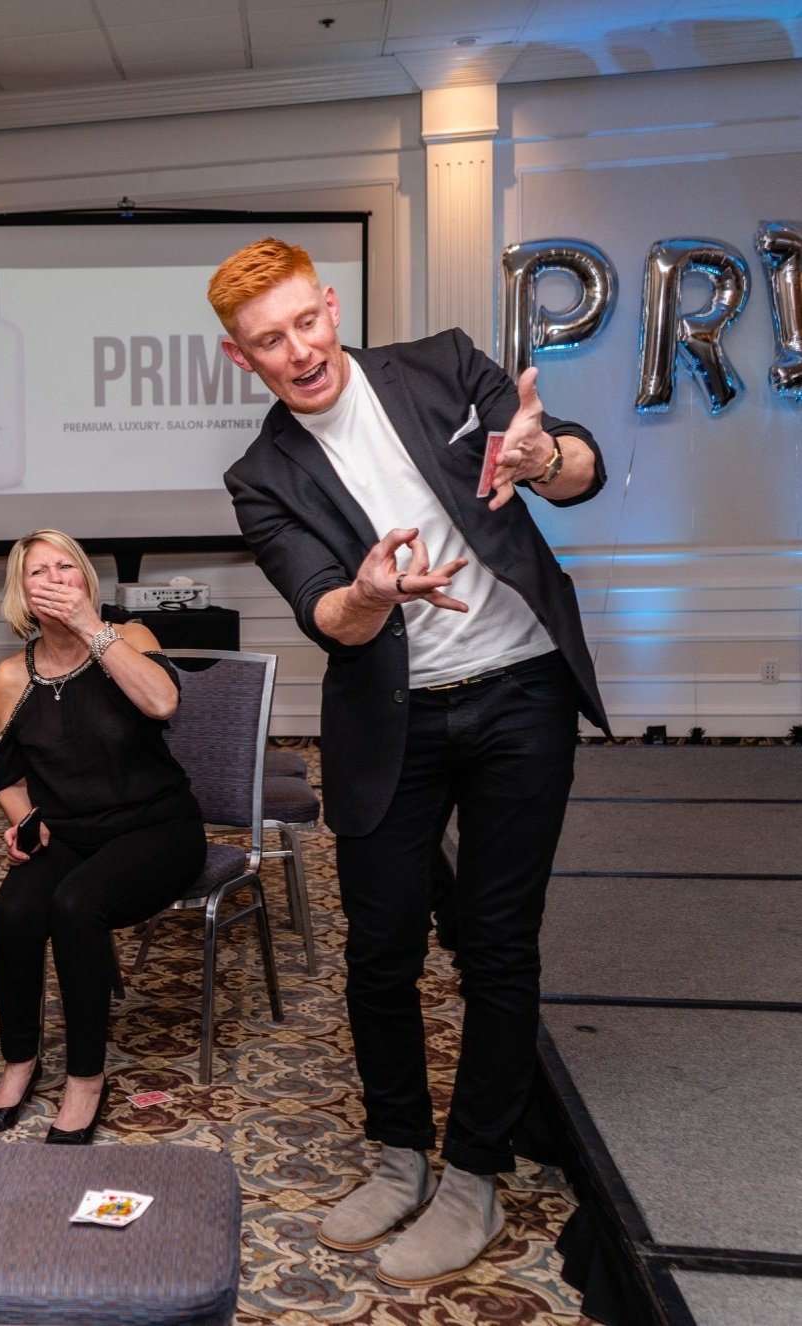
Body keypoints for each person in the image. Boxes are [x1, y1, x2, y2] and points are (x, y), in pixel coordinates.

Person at [208, 237, 610, 1287]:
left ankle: (474, 1170)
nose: (297, 351)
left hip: (521, 690)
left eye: (305, 322)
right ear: (237, 356)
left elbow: (579, 467)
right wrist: (372, 597)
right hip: (392, 718)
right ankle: (398, 1154)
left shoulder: (441, 364)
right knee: (380, 949)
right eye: (267, 342)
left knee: (496, 939)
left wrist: (541, 459)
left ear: (330, 304)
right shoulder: (261, 477)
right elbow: (326, 611)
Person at [0, 530, 205, 1144]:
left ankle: (85, 1078)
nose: (53, 580)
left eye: (66, 568)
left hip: (159, 828)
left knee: (76, 904)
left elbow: (163, 703)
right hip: (71, 835)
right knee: (15, 908)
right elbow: (9, 776)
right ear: (21, 594)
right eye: (37, 573)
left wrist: (92, 630)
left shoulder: (130, 639)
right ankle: (20, 1061)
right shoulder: (11, 675)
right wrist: (24, 819)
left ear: (85, 580)